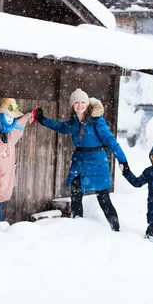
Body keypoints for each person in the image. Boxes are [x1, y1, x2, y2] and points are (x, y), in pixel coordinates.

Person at [34, 88, 126, 231]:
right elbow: (61, 127)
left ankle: (116, 230)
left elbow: (110, 141)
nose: (80, 105)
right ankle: (78, 227)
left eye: (83, 102)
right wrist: (42, 119)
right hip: (80, 161)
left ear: (87, 104)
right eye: (76, 102)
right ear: (72, 105)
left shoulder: (97, 121)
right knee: (76, 194)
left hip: (97, 162)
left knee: (103, 199)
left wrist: (123, 160)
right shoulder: (74, 121)